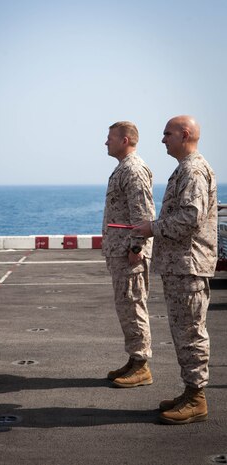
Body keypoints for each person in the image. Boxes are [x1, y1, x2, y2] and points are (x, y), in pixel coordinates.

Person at [133, 115, 217, 424]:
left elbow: (190, 219)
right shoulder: (186, 168)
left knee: (191, 332)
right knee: (184, 331)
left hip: (189, 266)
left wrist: (150, 228)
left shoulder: (193, 170)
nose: (163, 139)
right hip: (181, 265)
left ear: (185, 135)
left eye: (168, 133)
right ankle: (190, 391)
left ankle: (196, 398)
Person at [102, 121, 156, 388]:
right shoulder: (123, 169)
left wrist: (136, 248)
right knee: (127, 306)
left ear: (125, 140)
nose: (105, 142)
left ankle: (141, 365)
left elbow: (143, 215)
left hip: (129, 254)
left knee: (134, 306)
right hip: (121, 252)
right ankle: (134, 360)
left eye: (110, 138)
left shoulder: (133, 170)